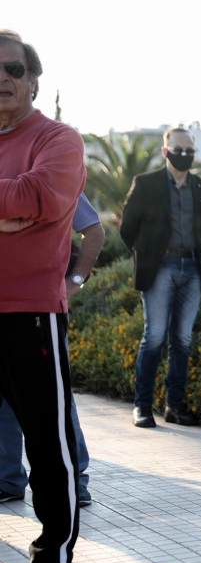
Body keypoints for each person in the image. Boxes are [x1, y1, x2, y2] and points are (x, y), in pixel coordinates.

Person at [0, 28, 85, 563]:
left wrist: (21, 205)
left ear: (31, 81)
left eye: (12, 70)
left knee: (46, 444)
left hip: (29, 316)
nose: (2, 80)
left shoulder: (58, 139)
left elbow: (38, 198)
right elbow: (17, 204)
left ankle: (54, 557)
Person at [0, 192, 104, 509]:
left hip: (39, 307)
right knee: (4, 396)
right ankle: (7, 480)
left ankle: (75, 480)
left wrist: (74, 279)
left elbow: (94, 232)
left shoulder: (50, 171)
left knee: (54, 394)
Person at [120, 127, 201, 429]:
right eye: (178, 149)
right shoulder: (145, 184)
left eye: (189, 149)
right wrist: (146, 255)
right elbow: (127, 227)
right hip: (160, 267)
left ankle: (174, 406)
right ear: (165, 151)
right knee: (155, 336)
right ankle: (142, 407)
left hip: (191, 268)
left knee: (182, 340)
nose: (183, 154)